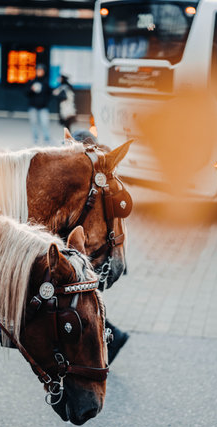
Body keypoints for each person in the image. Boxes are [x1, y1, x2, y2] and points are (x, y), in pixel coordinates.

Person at [72, 129, 129, 364]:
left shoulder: (99, 179)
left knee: (84, 300)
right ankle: (110, 338)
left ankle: (112, 337)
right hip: (98, 253)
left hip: (97, 254)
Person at [26, 64, 51, 144]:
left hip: (43, 107)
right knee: (34, 123)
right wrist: (31, 90)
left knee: (45, 123)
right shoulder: (32, 81)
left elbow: (49, 94)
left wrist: (45, 101)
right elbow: (26, 93)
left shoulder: (46, 82)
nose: (39, 72)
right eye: (38, 70)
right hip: (33, 106)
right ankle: (35, 138)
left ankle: (46, 138)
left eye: (41, 70)